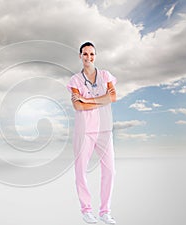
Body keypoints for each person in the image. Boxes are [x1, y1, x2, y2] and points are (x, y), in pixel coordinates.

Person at [66, 42, 117, 224]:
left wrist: (87, 98)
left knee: (110, 171)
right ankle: (86, 210)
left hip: (104, 129)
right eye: (85, 54)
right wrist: (100, 101)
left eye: (92, 54)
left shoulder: (105, 76)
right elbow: (77, 105)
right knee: (81, 170)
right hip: (85, 131)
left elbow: (113, 97)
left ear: (96, 56)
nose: (89, 57)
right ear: (80, 56)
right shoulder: (74, 81)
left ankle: (105, 212)